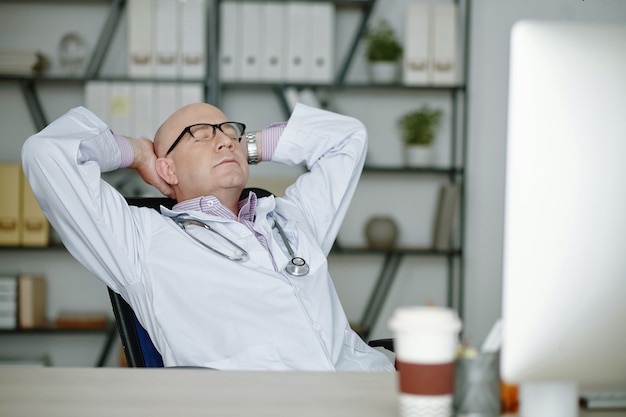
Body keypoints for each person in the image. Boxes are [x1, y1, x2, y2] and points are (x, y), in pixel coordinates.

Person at [21, 101, 394, 371]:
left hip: (364, 388)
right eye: (198, 135)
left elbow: (348, 138)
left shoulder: (290, 219)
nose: (224, 141)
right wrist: (138, 153)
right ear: (167, 168)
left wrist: (248, 147)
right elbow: (47, 152)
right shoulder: (139, 239)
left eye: (229, 132)